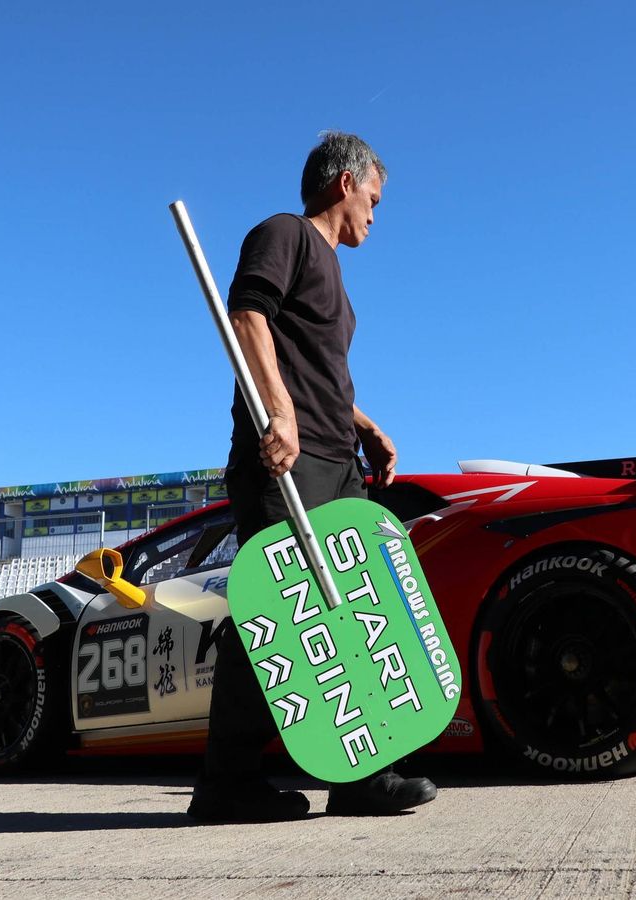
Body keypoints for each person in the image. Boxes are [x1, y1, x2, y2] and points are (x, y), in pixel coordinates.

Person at [187, 132, 439, 823]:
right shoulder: (285, 233)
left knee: (354, 610)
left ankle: (359, 774)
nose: (376, 216)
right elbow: (248, 317)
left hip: (335, 458)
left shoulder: (336, 277)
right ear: (344, 183)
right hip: (287, 461)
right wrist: (280, 414)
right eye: (374, 200)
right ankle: (225, 784)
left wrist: (362, 422)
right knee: (277, 611)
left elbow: (314, 366)